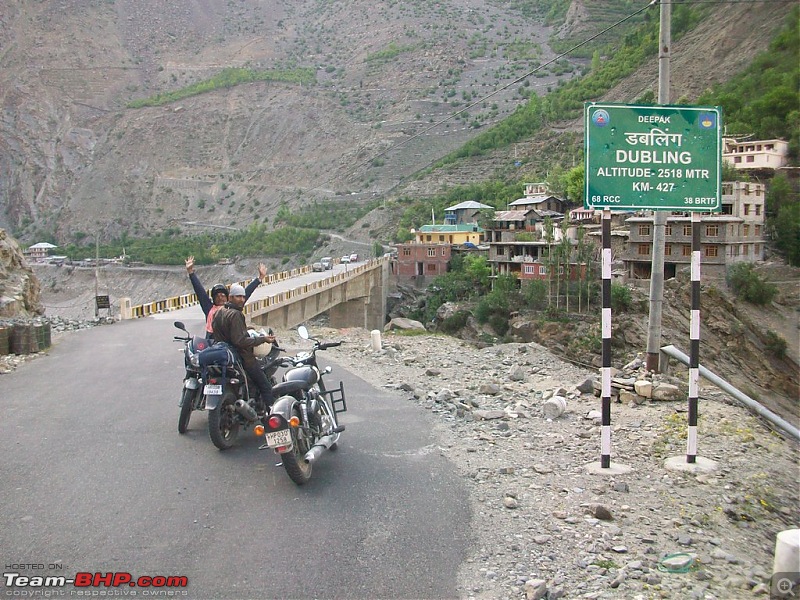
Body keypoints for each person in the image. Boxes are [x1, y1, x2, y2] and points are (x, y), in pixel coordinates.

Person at [212, 284, 276, 410]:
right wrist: (263, 339)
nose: (241, 299)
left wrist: (246, 330)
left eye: (243, 297)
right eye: (238, 296)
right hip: (242, 358)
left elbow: (226, 332)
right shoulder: (236, 314)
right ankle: (271, 413)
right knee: (265, 385)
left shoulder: (219, 312)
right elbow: (239, 341)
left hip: (224, 354)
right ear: (230, 297)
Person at [185, 256, 267, 339]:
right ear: (213, 298)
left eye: (223, 295)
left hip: (229, 342)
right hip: (211, 342)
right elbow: (200, 292)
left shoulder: (232, 307)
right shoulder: (209, 308)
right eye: (217, 296)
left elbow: (246, 292)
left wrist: (259, 279)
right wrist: (191, 272)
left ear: (228, 297)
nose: (220, 298)